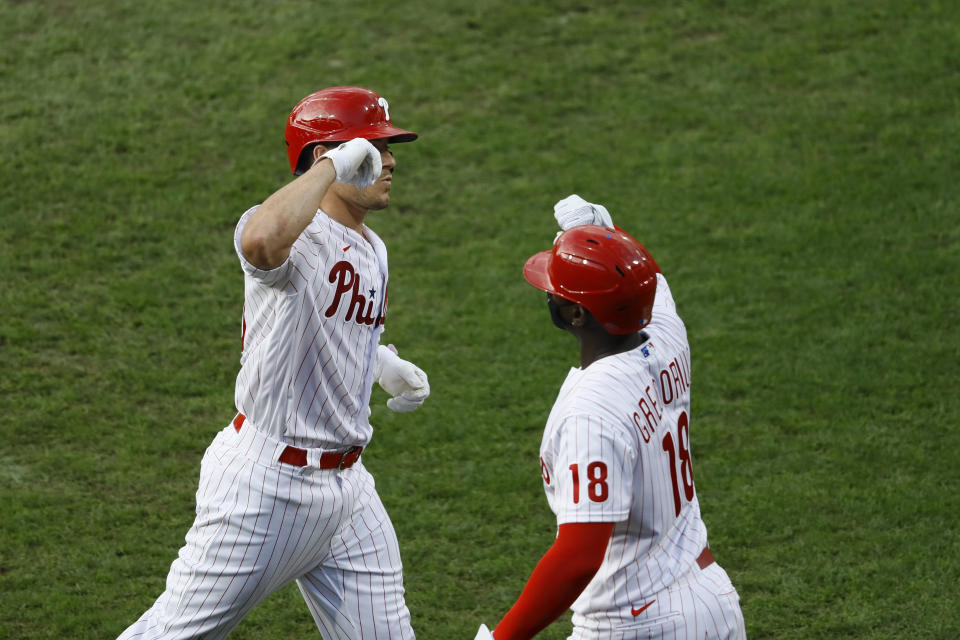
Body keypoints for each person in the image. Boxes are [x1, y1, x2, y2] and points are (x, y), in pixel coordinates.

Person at [117, 86, 430, 640]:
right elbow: (261, 242)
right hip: (269, 485)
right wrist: (333, 165)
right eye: (376, 147)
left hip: (349, 491)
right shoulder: (291, 232)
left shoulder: (373, 247)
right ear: (328, 156)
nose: (391, 160)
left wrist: (380, 361)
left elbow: (324, 324)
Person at [473, 196, 746, 640]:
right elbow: (647, 278)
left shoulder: (593, 412)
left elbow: (578, 556)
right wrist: (605, 232)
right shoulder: (665, 332)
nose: (548, 291)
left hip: (639, 623)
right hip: (711, 600)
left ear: (576, 314)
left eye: (555, 290)